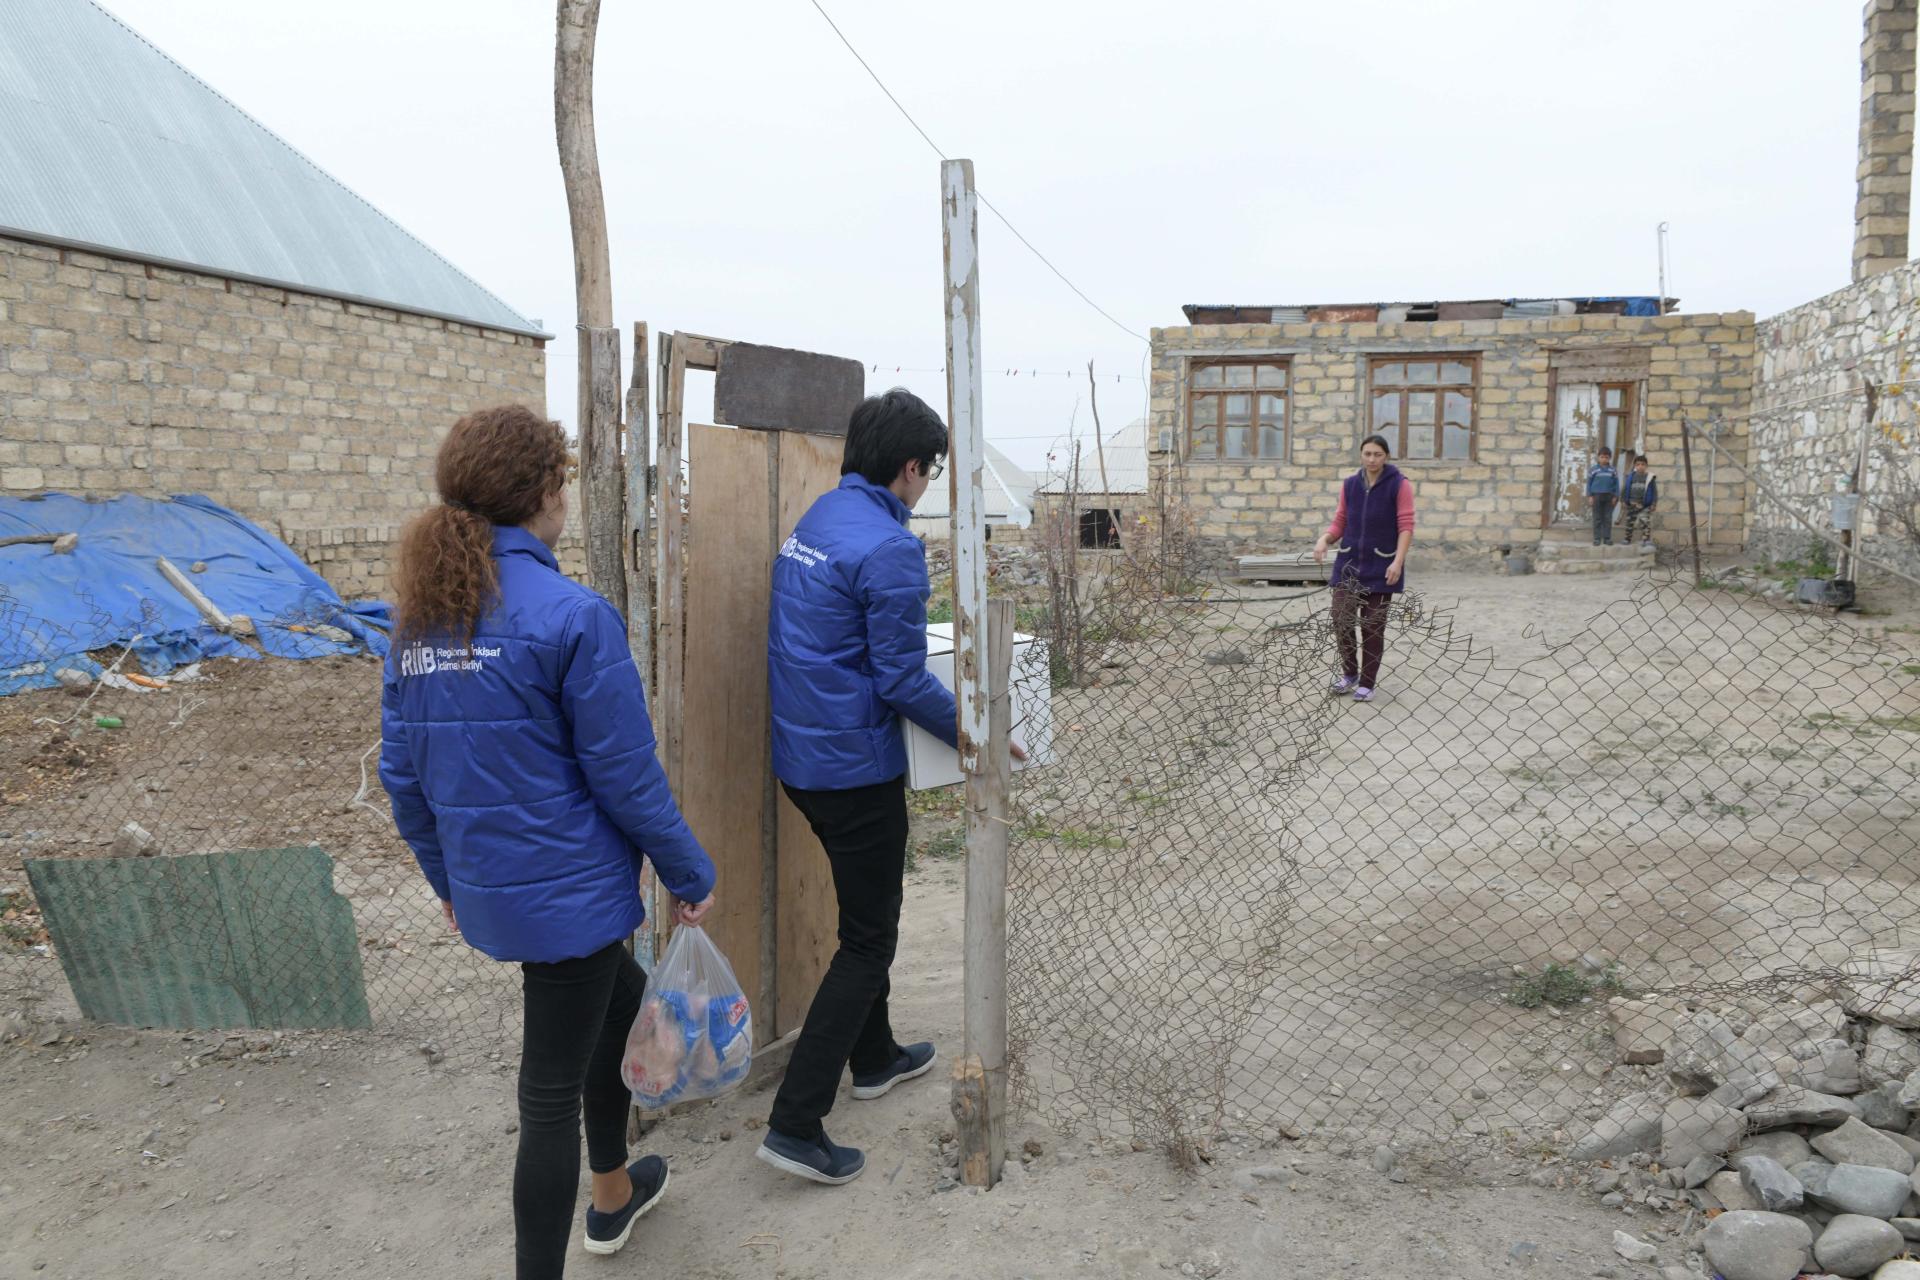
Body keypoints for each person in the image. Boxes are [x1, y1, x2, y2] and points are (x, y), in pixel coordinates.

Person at [380, 405, 717, 1279]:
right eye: (563, 480)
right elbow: (627, 778)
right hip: (573, 900)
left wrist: (447, 882)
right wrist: (688, 871)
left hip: (507, 891)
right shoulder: (574, 617)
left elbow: (403, 777)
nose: (565, 495)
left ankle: (612, 1197)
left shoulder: (421, 624)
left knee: (625, 1009)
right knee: (546, 1093)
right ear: (545, 493)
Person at [759, 388, 1023, 1185]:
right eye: (930, 471)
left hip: (802, 760)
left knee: (862, 912)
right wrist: (980, 739)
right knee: (870, 938)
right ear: (910, 468)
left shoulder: (819, 522)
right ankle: (795, 1122)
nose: (927, 485)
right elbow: (903, 679)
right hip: (852, 771)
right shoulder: (890, 549)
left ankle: (873, 1057)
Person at [1313, 434, 1414, 703]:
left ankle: (1367, 683)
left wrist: (1398, 561)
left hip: (1383, 566)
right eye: (1367, 454)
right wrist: (1325, 540)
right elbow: (1340, 521)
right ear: (1361, 455)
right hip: (1349, 566)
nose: (1372, 459)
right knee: (1341, 617)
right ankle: (1349, 673)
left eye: (1377, 455)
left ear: (1386, 457)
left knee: (1372, 626)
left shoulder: (1399, 485)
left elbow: (1406, 526)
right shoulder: (1349, 485)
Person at [1621, 453, 1659, 546]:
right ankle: (1627, 539)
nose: (1640, 466)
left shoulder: (1650, 478)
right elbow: (1624, 488)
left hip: (1644, 505)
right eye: (1638, 464)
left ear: (1646, 466)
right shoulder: (1631, 477)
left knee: (1645, 522)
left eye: (1642, 464)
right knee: (1630, 522)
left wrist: (1653, 503)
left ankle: (1646, 540)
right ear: (1635, 466)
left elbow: (1654, 492)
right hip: (1631, 504)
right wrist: (1623, 500)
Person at [1587, 446, 1622, 546]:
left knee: (1607, 518)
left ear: (1609, 458)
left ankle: (1607, 538)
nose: (1604, 459)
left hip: (1609, 497)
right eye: (1602, 457)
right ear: (1598, 458)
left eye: (1606, 457)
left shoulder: (1613, 470)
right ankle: (1597, 538)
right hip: (1596, 496)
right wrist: (1590, 496)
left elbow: (1616, 484)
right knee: (1597, 518)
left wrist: (1616, 496)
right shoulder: (1593, 470)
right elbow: (1589, 484)